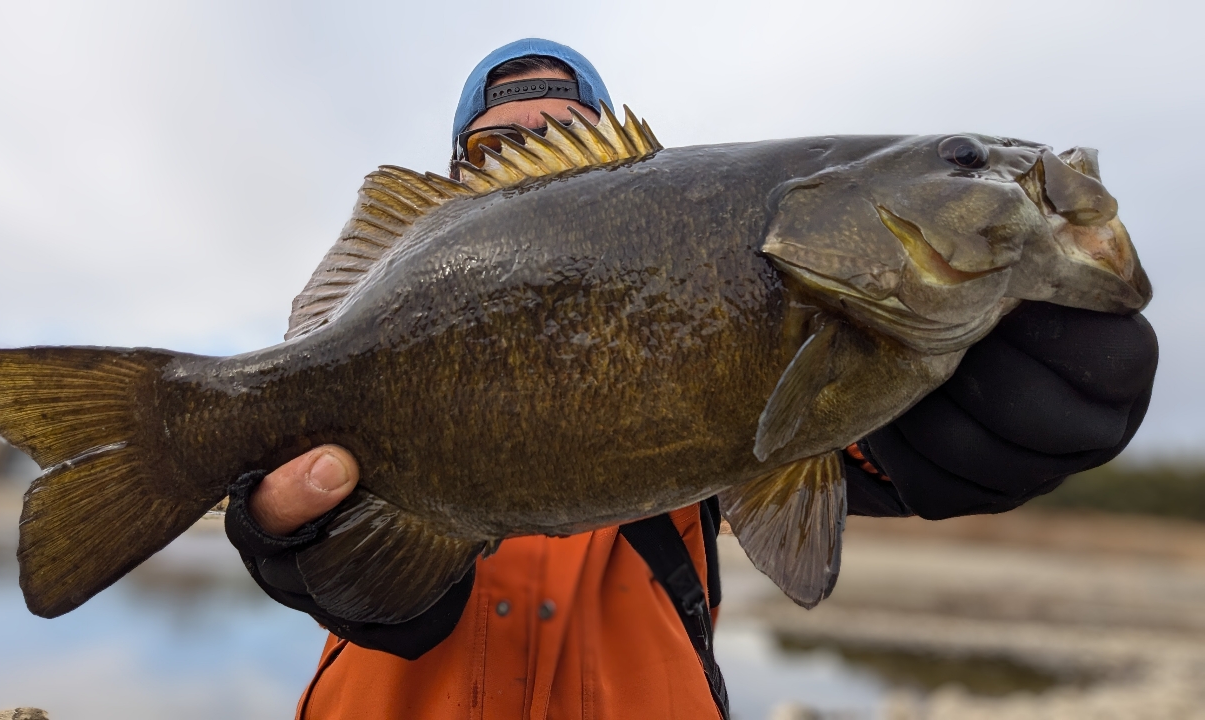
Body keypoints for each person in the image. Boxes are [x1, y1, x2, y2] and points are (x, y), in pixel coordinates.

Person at [225, 38, 1159, 720]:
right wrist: (328, 555)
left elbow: (848, 457)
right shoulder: (378, 325)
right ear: (451, 177)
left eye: (560, 136)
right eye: (489, 151)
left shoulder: (774, 318)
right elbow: (306, 501)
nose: (521, 160)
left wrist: (979, 424)